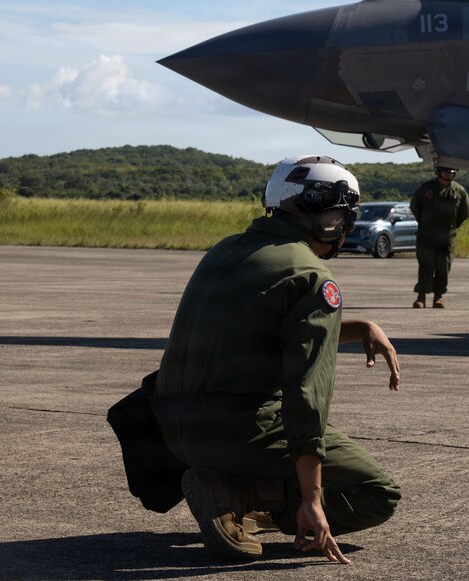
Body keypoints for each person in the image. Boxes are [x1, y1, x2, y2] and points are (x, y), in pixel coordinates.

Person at [154, 155, 402, 564]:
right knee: (378, 493)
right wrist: (312, 497)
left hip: (171, 429)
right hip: (230, 429)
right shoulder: (311, 275)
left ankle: (231, 486)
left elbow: (258, 334)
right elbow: (307, 396)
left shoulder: (228, 248)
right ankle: (244, 497)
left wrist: (357, 327)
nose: (344, 226)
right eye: (342, 215)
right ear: (323, 216)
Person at [410, 165, 469, 309]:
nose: (449, 173)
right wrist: (424, 222)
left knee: (443, 267)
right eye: (445, 170)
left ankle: (439, 297)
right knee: (426, 265)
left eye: (451, 171)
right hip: (426, 234)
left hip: (447, 236)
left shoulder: (459, 191)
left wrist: (452, 227)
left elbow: (464, 212)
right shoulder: (426, 188)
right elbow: (415, 206)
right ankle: (421, 297)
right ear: (438, 172)